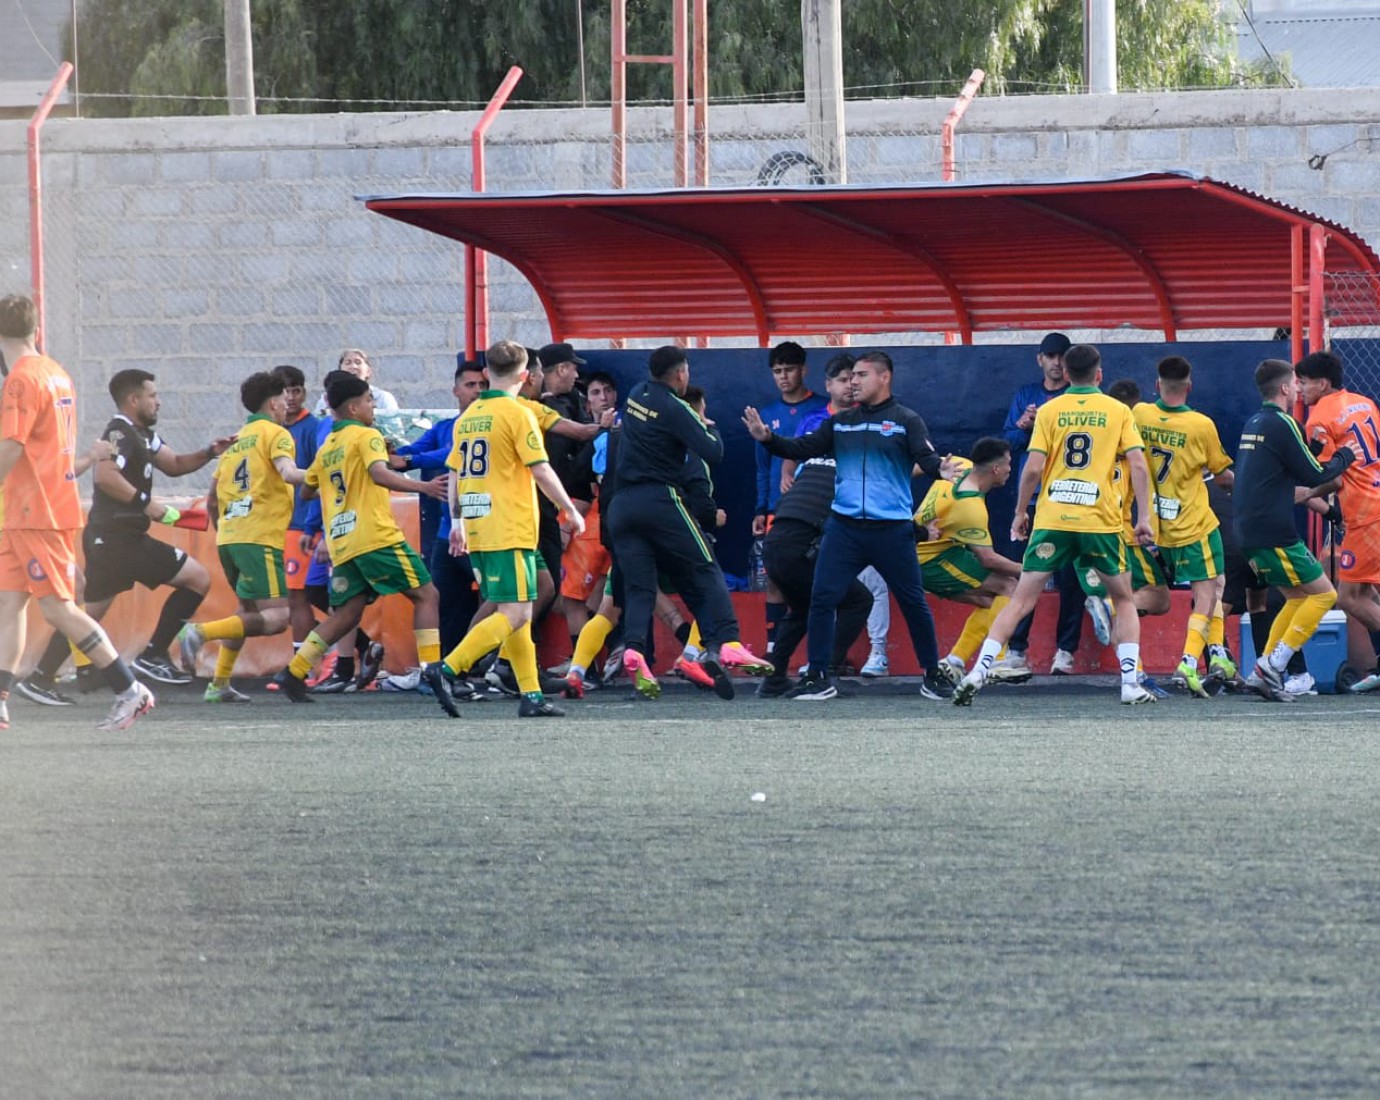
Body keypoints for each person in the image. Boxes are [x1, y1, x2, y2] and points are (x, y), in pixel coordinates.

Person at [744, 350, 955, 702]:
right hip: (844, 529)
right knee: (823, 599)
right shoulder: (841, 421)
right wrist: (766, 438)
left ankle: (933, 675)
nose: (854, 381)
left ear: (884, 377)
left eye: (861, 375)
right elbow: (801, 447)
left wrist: (939, 469)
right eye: (850, 376)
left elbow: (926, 457)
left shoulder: (906, 419)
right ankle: (817, 677)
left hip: (891, 530)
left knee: (913, 601)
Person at [953, 343, 1157, 707]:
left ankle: (978, 672)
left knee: (1021, 600)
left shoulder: (1049, 411)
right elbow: (1139, 466)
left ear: (1065, 373)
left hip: (1053, 519)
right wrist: (1143, 518)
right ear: (1099, 374)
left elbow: (1032, 468)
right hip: (1100, 522)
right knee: (1123, 599)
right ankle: (1129, 684)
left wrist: (1019, 511)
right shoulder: (1117, 410)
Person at [20, 368, 236, 698]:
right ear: (134, 400)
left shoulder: (144, 435)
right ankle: (152, 656)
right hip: (120, 538)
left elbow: (175, 463)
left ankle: (40, 678)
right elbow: (105, 476)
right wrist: (145, 503)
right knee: (198, 578)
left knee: (87, 613)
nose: (158, 402)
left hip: (112, 539)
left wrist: (209, 452)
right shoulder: (119, 431)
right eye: (153, 396)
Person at [0, 294, 155, 732]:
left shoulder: (20, 380)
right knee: (9, 604)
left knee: (59, 609)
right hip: (32, 508)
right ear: (37, 328)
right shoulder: (55, 372)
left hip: (38, 510)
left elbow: (12, 445)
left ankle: (130, 689)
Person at [607, 345, 772, 700]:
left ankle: (634, 648)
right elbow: (713, 452)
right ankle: (729, 641)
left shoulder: (637, 393)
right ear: (681, 374)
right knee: (706, 567)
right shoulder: (677, 408)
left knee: (640, 587)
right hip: (659, 499)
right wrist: (707, 427)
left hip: (621, 506)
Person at [272, 373, 449, 701]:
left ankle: (294, 671)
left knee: (347, 614)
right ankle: (432, 671)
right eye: (369, 401)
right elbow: (379, 474)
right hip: (375, 537)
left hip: (342, 541)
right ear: (354, 407)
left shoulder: (329, 445)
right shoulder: (366, 436)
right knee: (426, 595)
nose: (373, 407)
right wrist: (424, 486)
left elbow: (309, 489)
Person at [432, 341, 585, 718]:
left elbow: (454, 471)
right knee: (516, 613)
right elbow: (540, 467)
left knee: (516, 611)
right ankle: (449, 667)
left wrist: (456, 522)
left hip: (481, 527)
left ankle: (531, 696)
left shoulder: (468, 417)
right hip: (509, 526)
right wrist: (570, 509)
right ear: (526, 376)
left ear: (486, 374)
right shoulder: (518, 414)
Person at [177, 371, 305, 702]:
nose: (287, 404)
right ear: (274, 402)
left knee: (245, 611)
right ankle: (199, 632)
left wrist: (227, 532)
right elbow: (289, 473)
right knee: (277, 618)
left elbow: (212, 499)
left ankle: (218, 684)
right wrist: (328, 474)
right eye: (284, 398)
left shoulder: (236, 441)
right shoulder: (276, 434)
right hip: (259, 536)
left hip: (231, 538)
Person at [1233, 358, 1355, 701]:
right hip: (1273, 532)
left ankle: (1264, 668)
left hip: (1249, 530)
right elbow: (1314, 476)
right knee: (1326, 595)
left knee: (1296, 597)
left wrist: (1314, 448)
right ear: (1285, 388)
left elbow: (1289, 463)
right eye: (1295, 383)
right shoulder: (1283, 422)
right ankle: (1276, 664)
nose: (1299, 388)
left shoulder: (1255, 422)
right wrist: (1345, 455)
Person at [755, 353, 874, 697]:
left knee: (805, 607)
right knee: (857, 600)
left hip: (777, 543)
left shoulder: (816, 462)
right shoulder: (850, 468)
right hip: (795, 546)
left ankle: (775, 676)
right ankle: (821, 673)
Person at [1132, 356, 1237, 698]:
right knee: (1206, 595)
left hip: (1159, 525)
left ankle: (1219, 655)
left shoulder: (1140, 415)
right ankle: (1189, 661)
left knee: (1217, 585)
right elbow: (1222, 476)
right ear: (1189, 387)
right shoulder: (1200, 425)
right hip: (1194, 524)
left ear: (1156, 384)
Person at [996, 331, 1091, 676]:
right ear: (1040, 359)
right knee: (1028, 577)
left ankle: (1065, 651)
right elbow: (1008, 443)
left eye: (1061, 356)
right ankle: (1017, 650)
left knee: (1071, 580)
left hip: (1070, 498)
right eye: (1050, 356)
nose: (1056, 362)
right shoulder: (1026, 395)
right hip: (1035, 500)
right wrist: (1024, 425)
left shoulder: (1078, 396)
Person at [389, 359, 487, 657]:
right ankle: (442, 666)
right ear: (455, 390)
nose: (477, 391)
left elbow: (451, 453)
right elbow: (415, 450)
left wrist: (409, 462)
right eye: (471, 385)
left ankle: (480, 661)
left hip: (480, 530)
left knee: (494, 596)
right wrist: (391, 452)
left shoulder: (487, 424)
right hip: (448, 533)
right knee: (442, 602)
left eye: (483, 385)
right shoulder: (443, 427)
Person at [1297, 350, 1380, 692]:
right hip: (1375, 498)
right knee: (1367, 591)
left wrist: (1303, 492)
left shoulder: (1319, 418)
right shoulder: (1365, 403)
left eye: (1303, 383)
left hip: (1363, 511)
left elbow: (1332, 474)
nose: (1299, 390)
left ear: (1322, 383)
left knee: (1347, 597)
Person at [914, 438, 1023, 681]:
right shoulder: (970, 508)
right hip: (929, 562)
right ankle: (997, 661)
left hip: (936, 551)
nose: (1009, 469)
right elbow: (988, 559)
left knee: (992, 601)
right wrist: (1029, 571)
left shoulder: (959, 465)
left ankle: (954, 662)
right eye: (1008, 464)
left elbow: (919, 465)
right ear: (995, 469)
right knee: (1009, 586)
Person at [753, 341, 828, 651]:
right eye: (777, 371)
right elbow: (761, 468)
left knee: (819, 577)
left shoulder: (823, 409)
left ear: (804, 370)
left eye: (789, 370)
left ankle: (822, 648)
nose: (783, 377)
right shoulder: (767, 414)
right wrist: (760, 508)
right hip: (777, 509)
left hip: (816, 508)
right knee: (775, 577)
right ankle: (773, 647)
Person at [312, 349, 399, 415]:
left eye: (358, 362)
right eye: (348, 363)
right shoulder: (326, 399)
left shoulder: (382, 398)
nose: (353, 366)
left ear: (368, 371)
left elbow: (395, 431)